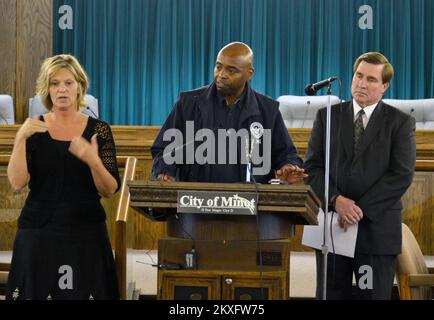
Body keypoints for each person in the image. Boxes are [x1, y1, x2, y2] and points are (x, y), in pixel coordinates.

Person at [6, 54, 121, 300]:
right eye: (54, 83)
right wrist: (19, 139)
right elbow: (17, 183)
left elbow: (110, 190)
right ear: (46, 89)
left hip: (85, 230)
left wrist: (93, 161)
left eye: (68, 83)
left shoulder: (99, 130)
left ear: (80, 86)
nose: (61, 89)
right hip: (38, 229)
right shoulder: (33, 127)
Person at [304, 52, 416, 299]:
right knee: (331, 295)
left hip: (375, 231)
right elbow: (312, 168)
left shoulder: (400, 123)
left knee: (371, 295)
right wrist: (336, 200)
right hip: (332, 229)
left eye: (372, 79)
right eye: (358, 76)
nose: (362, 84)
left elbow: (401, 175)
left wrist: (357, 210)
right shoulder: (327, 117)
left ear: (384, 86)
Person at [151, 42, 305, 184]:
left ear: (249, 73)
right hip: (196, 201)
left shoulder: (267, 110)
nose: (222, 75)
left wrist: (288, 167)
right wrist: (165, 172)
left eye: (232, 70)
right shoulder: (188, 103)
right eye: (218, 67)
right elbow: (163, 149)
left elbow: (287, 154)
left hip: (253, 204)